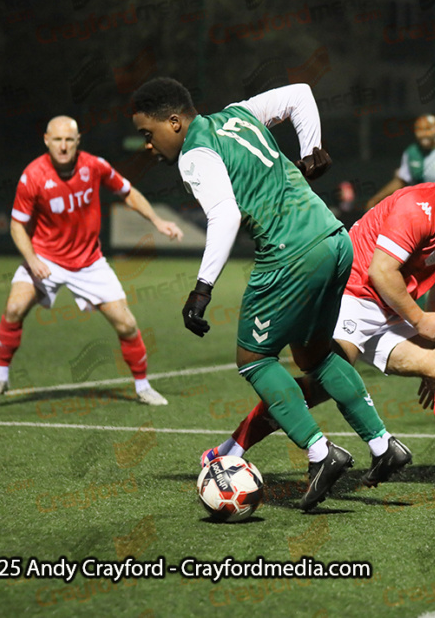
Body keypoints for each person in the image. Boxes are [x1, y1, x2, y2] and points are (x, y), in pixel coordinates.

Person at [131, 79, 406, 511]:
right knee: (315, 354)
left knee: (254, 359)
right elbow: (300, 94)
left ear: (174, 121)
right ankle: (382, 444)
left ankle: (320, 453)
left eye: (149, 134)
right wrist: (311, 146)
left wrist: (202, 287)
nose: (148, 145)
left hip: (290, 253)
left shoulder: (194, 154)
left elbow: (224, 215)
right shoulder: (237, 114)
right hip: (335, 239)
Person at [201, 152, 435, 499]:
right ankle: (229, 450)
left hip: (389, 310)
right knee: (321, 384)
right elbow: (381, 272)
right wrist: (418, 319)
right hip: (349, 294)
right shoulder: (419, 205)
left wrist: (433, 347)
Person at [0, 116, 183, 407]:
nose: (63, 146)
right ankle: (0, 377)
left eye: (69, 140)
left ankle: (142, 386)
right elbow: (16, 226)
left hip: (89, 262)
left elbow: (128, 193)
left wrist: (158, 221)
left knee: (126, 325)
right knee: (13, 307)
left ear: (77, 142)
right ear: (47, 140)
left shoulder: (94, 166)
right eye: (57, 140)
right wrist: (32, 259)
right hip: (45, 259)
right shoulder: (32, 175)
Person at [365, 114, 435, 209]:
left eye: (428, 129)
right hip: (420, 205)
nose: (424, 134)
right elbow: (402, 180)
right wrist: (378, 198)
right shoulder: (411, 152)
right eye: (420, 130)